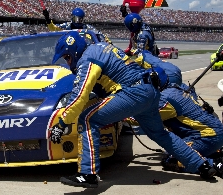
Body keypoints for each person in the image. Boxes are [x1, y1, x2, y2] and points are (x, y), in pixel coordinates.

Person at [48, 31, 218, 188]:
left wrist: (61, 123)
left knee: (87, 118)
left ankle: (87, 173)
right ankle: (202, 165)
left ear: (75, 51)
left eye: (67, 57)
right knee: (160, 134)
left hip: (132, 92)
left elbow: (80, 96)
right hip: (149, 91)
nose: (68, 62)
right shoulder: (101, 47)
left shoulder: (88, 58)